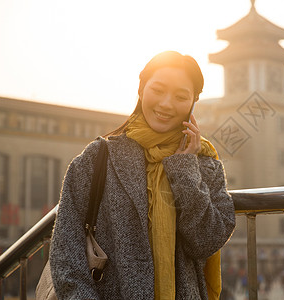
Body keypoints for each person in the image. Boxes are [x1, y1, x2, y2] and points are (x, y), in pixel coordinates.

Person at [49, 51, 236, 299]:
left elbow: (205, 241)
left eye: (181, 96)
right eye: (158, 90)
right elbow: (66, 254)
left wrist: (184, 169)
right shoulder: (97, 158)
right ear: (141, 90)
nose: (167, 104)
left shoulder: (205, 164)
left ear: (193, 102)